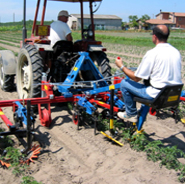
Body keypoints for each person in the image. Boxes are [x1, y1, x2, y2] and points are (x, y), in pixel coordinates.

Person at [115, 25, 182, 122]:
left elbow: (136, 78)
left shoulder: (152, 53)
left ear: (154, 36)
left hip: (156, 95)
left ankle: (131, 114)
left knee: (124, 83)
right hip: (173, 94)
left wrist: (121, 66)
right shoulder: (176, 52)